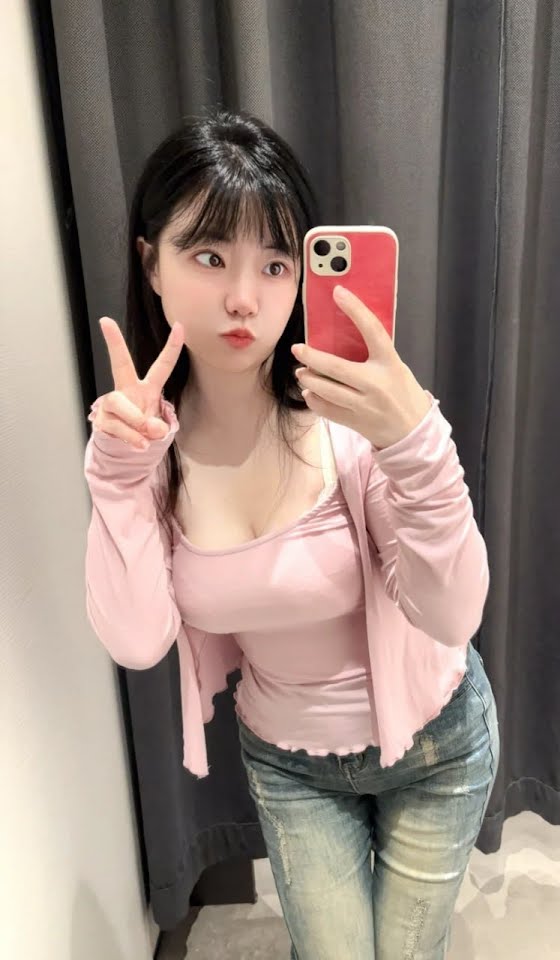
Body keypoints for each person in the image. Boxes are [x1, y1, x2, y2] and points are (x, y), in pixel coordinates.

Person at [83, 109, 499, 959]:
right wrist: (118, 481)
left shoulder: (351, 425)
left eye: (275, 265)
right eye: (209, 257)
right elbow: (135, 641)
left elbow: (453, 615)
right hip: (290, 762)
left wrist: (416, 443)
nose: (245, 298)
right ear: (151, 264)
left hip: (437, 744)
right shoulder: (146, 451)